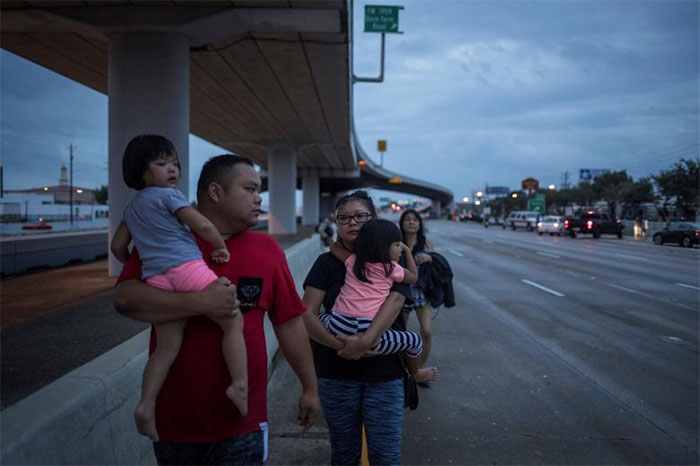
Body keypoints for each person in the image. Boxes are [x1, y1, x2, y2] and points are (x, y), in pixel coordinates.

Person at [115, 154, 319, 465]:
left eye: (259, 190)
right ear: (215, 192)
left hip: (244, 423)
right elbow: (126, 299)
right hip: (174, 424)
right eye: (250, 189)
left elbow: (289, 323)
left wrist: (309, 387)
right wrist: (201, 303)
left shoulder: (268, 251)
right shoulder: (166, 242)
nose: (259, 198)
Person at [110, 135, 248, 443]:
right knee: (232, 319)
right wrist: (220, 247)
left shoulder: (132, 210)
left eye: (175, 164)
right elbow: (202, 226)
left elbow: (117, 246)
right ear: (141, 172)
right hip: (187, 269)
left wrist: (139, 256)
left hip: (156, 278)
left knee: (167, 347)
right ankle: (239, 383)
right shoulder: (169, 197)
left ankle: (146, 406)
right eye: (161, 164)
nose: (172, 170)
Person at [302, 191, 437, 465]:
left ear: (374, 219)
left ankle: (414, 373)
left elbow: (397, 299)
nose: (352, 223)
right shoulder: (326, 264)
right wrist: (343, 346)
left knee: (385, 456)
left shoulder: (393, 263)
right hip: (335, 373)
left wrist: (364, 343)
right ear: (337, 223)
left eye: (360, 216)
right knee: (344, 454)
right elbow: (306, 313)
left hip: (385, 376)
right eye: (344, 218)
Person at [324, 219, 422, 375]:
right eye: (397, 245)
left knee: (320, 317)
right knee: (415, 341)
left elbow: (333, 247)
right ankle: (415, 373)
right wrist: (409, 252)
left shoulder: (353, 261)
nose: (400, 249)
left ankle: (346, 345)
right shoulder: (392, 268)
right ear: (383, 247)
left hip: (338, 324)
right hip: (369, 329)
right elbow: (413, 277)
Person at [399, 209, 439, 386]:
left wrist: (430, 259)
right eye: (407, 219)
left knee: (427, 332)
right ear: (402, 223)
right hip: (401, 294)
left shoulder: (426, 243)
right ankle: (402, 372)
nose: (411, 222)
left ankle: (418, 372)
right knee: (399, 334)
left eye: (415, 219)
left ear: (420, 224)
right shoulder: (397, 243)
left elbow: (436, 263)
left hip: (421, 294)